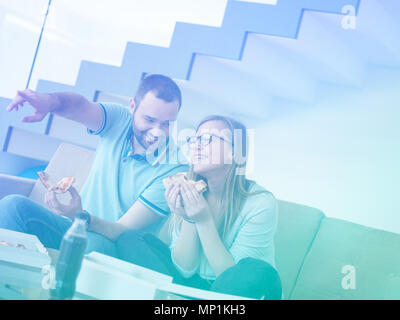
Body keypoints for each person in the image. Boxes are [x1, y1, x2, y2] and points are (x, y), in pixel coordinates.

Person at [0, 74, 188, 256]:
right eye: (149, 120)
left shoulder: (175, 169)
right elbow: (79, 107)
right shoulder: (120, 120)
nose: (157, 132)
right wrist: (49, 102)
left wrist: (80, 216)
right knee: (13, 206)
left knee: (94, 245)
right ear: (132, 106)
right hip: (76, 226)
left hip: (111, 244)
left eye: (167, 124)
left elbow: (121, 231)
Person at [116, 115, 282, 299]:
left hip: (232, 291)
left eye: (208, 139)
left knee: (255, 270)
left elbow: (233, 278)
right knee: (131, 239)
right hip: (193, 287)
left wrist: (203, 221)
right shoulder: (191, 188)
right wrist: (189, 218)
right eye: (195, 139)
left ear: (235, 152)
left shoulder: (260, 202)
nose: (197, 145)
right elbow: (184, 270)